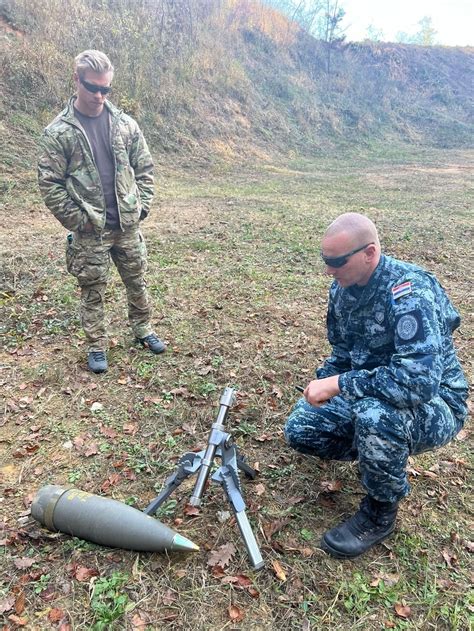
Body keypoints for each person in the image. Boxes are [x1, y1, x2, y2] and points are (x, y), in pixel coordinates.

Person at [285, 213, 468, 559]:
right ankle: (378, 455)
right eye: (325, 261)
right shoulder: (342, 290)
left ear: (369, 253)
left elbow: (418, 383)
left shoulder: (410, 292)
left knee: (375, 416)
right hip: (373, 388)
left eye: (337, 262)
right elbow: (342, 352)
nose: (329, 270)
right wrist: (324, 384)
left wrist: (339, 384)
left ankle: (380, 512)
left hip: (438, 402)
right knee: (302, 428)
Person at [38, 50, 165, 373]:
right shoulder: (59, 133)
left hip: (127, 226)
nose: (98, 95)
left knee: (137, 281)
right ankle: (96, 345)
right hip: (90, 230)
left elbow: (145, 169)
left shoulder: (125, 124)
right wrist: (78, 220)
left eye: (105, 89)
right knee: (92, 289)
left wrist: (142, 205)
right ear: (76, 80)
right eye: (92, 87)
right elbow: (50, 184)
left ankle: (143, 329)